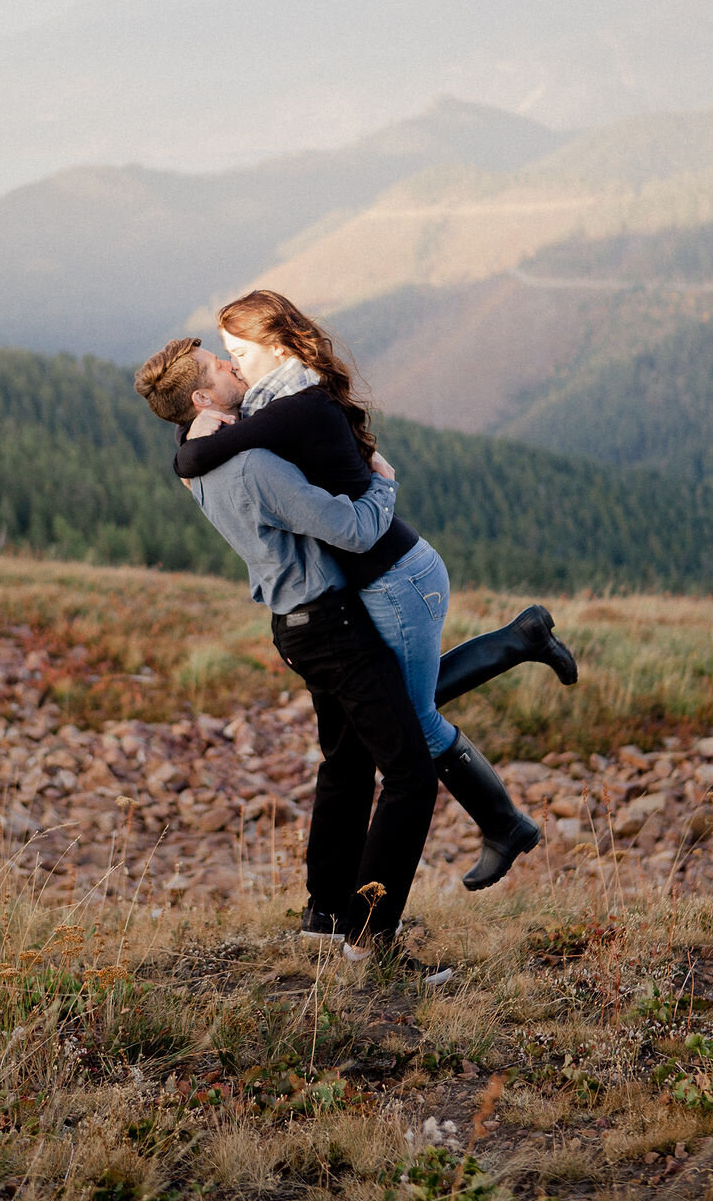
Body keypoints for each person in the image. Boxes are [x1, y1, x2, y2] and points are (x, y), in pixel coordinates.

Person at [171, 290, 577, 894]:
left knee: (410, 721)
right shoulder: (280, 399)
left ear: (275, 346)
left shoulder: (291, 408)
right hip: (391, 576)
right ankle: (520, 644)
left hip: (395, 577)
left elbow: (199, 458)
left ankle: (505, 824)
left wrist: (193, 439)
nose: (234, 364)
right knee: (393, 710)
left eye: (238, 351)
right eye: (224, 356)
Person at [135, 338, 452, 983]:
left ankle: (326, 921)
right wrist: (383, 485)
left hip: (297, 626)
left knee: (347, 764)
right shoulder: (249, 466)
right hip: (332, 624)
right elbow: (354, 528)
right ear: (201, 398)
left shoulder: (201, 465)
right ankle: (372, 943)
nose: (233, 366)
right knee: (411, 776)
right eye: (220, 366)